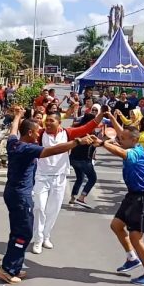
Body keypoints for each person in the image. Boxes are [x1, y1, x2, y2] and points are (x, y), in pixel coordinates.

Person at [0, 105, 94, 284]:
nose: (40, 131)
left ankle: (14, 267)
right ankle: (7, 269)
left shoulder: (14, 143)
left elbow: (13, 130)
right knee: (23, 233)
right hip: (20, 197)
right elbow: (52, 151)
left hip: (12, 193)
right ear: (31, 133)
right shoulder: (27, 148)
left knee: (18, 232)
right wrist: (78, 142)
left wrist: (18, 116)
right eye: (37, 130)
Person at [31, 106, 107, 254]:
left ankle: (46, 236)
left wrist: (102, 114)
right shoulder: (40, 134)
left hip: (59, 177)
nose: (47, 123)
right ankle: (38, 239)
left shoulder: (68, 133)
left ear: (59, 123)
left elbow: (89, 126)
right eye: (47, 121)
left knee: (53, 209)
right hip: (42, 176)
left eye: (51, 121)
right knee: (39, 207)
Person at [92, 126, 144, 286]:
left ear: (134, 140)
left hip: (141, 199)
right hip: (132, 196)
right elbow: (123, 142)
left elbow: (122, 152)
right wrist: (112, 118)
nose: (119, 139)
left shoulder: (135, 153)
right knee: (116, 225)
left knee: (136, 238)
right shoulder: (135, 145)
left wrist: (103, 144)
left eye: (123, 138)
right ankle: (132, 258)